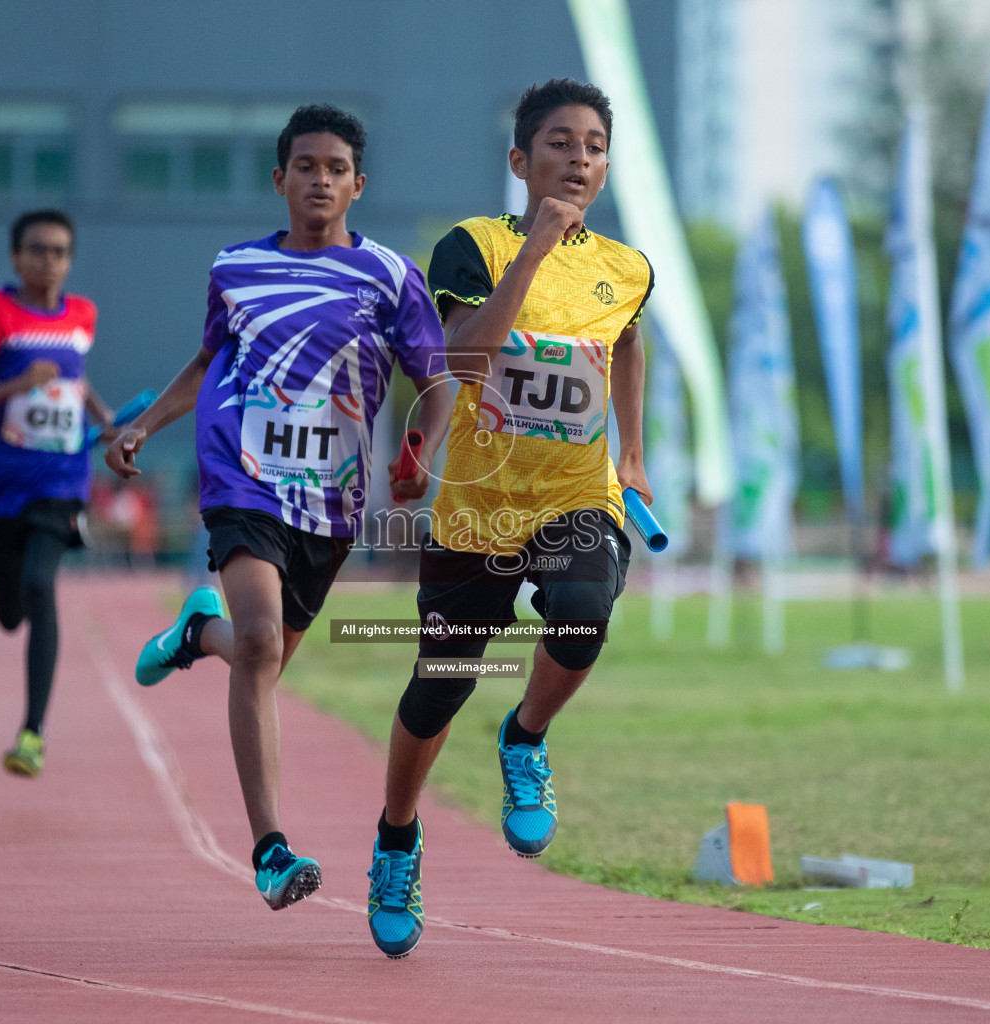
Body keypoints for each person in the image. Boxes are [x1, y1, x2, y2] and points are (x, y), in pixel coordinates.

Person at [106, 104, 450, 913]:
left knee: (264, 660)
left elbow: (437, 382)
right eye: (305, 166)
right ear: (280, 179)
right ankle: (268, 849)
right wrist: (144, 426)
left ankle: (197, 633)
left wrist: (418, 453)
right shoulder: (235, 269)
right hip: (242, 478)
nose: (320, 180)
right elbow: (206, 361)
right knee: (260, 645)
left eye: (336, 169)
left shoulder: (390, 276)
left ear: (358, 185)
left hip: (330, 501)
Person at [364, 79, 655, 958]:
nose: (579, 157)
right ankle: (396, 838)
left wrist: (632, 453)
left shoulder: (629, 268)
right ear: (521, 160)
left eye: (594, 145)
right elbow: (459, 355)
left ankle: (525, 735)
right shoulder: (473, 247)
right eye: (560, 143)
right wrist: (534, 251)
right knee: (441, 683)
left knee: (583, 605)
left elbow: (631, 342)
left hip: (575, 494)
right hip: (479, 507)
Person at [0, 209, 120, 778]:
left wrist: (105, 417)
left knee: (42, 586)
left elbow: (75, 380)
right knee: (9, 610)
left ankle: (33, 732)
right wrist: (20, 383)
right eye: (39, 250)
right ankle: (8, 591)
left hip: (61, 481)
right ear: (16, 257)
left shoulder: (83, 315)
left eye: (61, 251)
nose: (51, 261)